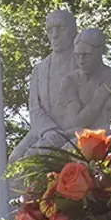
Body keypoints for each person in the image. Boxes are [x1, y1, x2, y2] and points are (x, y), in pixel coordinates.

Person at [8, 10, 78, 163]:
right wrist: (49, 129)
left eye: (61, 28)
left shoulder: (83, 63)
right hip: (44, 128)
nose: (55, 35)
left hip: (73, 129)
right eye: (50, 30)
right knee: (15, 159)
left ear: (73, 31)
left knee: (36, 160)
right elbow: (34, 108)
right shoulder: (40, 69)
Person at [56, 28, 111, 133]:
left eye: (86, 55)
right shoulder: (70, 81)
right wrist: (100, 97)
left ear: (100, 51)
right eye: (77, 55)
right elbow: (76, 122)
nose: (81, 61)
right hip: (81, 139)